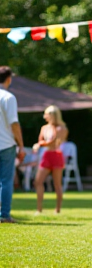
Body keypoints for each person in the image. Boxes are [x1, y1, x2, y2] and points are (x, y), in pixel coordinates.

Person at [0, 66, 25, 223]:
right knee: (6, 180)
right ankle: (4, 215)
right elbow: (14, 124)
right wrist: (21, 145)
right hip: (6, 145)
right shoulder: (8, 97)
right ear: (8, 79)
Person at [34, 105, 68, 215]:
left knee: (57, 184)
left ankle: (57, 209)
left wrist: (40, 144)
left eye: (46, 114)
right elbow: (41, 140)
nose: (44, 116)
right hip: (47, 155)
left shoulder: (62, 128)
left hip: (57, 155)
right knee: (38, 181)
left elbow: (52, 142)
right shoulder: (44, 128)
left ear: (53, 115)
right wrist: (41, 143)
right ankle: (39, 209)